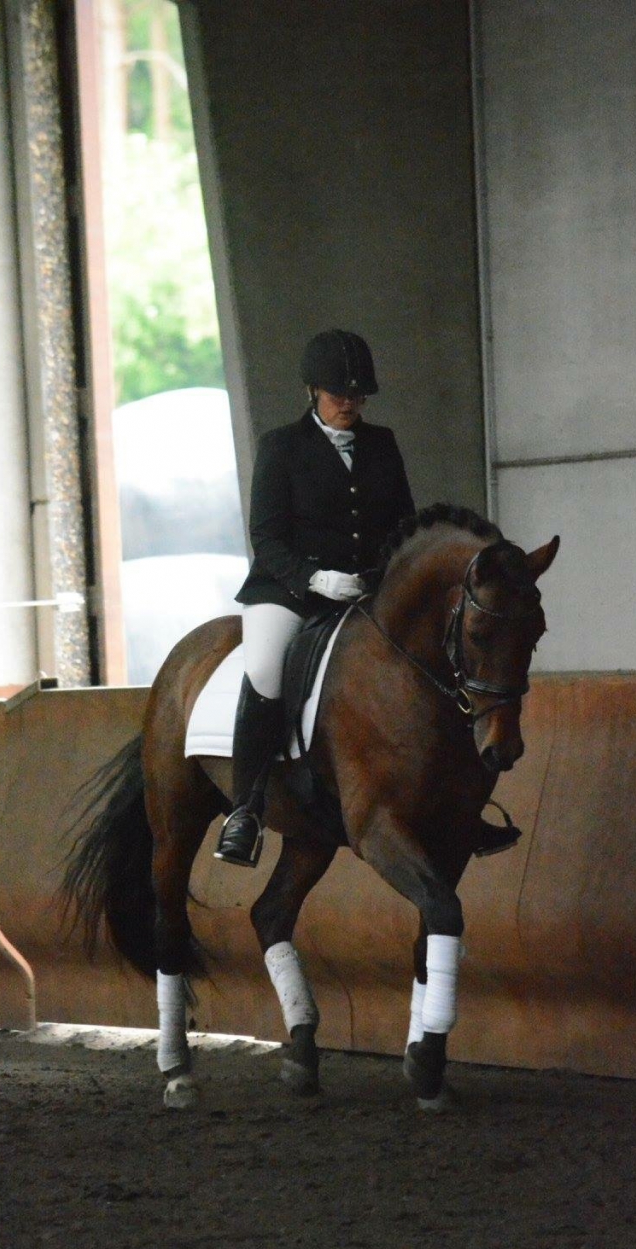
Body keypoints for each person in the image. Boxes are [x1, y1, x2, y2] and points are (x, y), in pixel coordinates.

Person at [216, 329, 415, 866]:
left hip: (362, 591)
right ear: (312, 391)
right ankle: (245, 810)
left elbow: (403, 524)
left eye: (357, 395)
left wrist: (377, 575)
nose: (348, 404)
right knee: (265, 668)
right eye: (337, 394)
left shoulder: (382, 444)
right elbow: (266, 536)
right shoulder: (280, 447)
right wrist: (315, 578)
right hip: (288, 589)